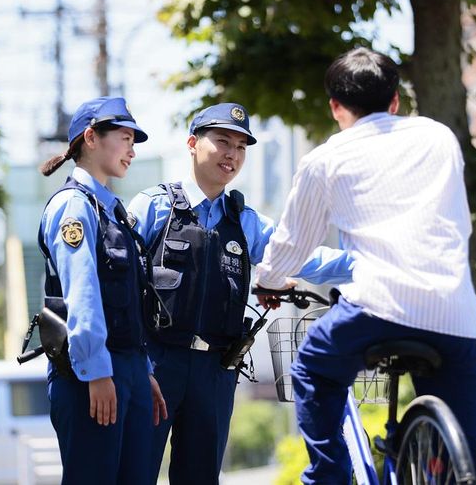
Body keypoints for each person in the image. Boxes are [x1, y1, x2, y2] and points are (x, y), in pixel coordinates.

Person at [254, 48, 476, 484]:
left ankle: (330, 477)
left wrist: (269, 280)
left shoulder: (325, 159)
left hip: (377, 308)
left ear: (335, 106)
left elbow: (292, 243)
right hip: (456, 314)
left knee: (310, 368)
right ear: (396, 100)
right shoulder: (439, 137)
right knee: (464, 447)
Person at [127, 102, 354, 485]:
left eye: (241, 147)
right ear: (192, 144)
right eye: (222, 141)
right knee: (134, 472)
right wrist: (138, 364)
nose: (232, 154)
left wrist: (370, 261)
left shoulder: (246, 222)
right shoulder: (154, 207)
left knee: (201, 477)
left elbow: (302, 256)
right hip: (156, 363)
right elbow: (122, 288)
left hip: (215, 370)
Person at [38, 96, 167, 484]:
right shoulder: (74, 208)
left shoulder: (113, 211)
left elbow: (127, 300)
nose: (131, 149)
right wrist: (96, 372)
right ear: (91, 138)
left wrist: (141, 369)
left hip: (126, 368)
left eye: (133, 140)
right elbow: (83, 295)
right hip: (90, 372)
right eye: (124, 137)